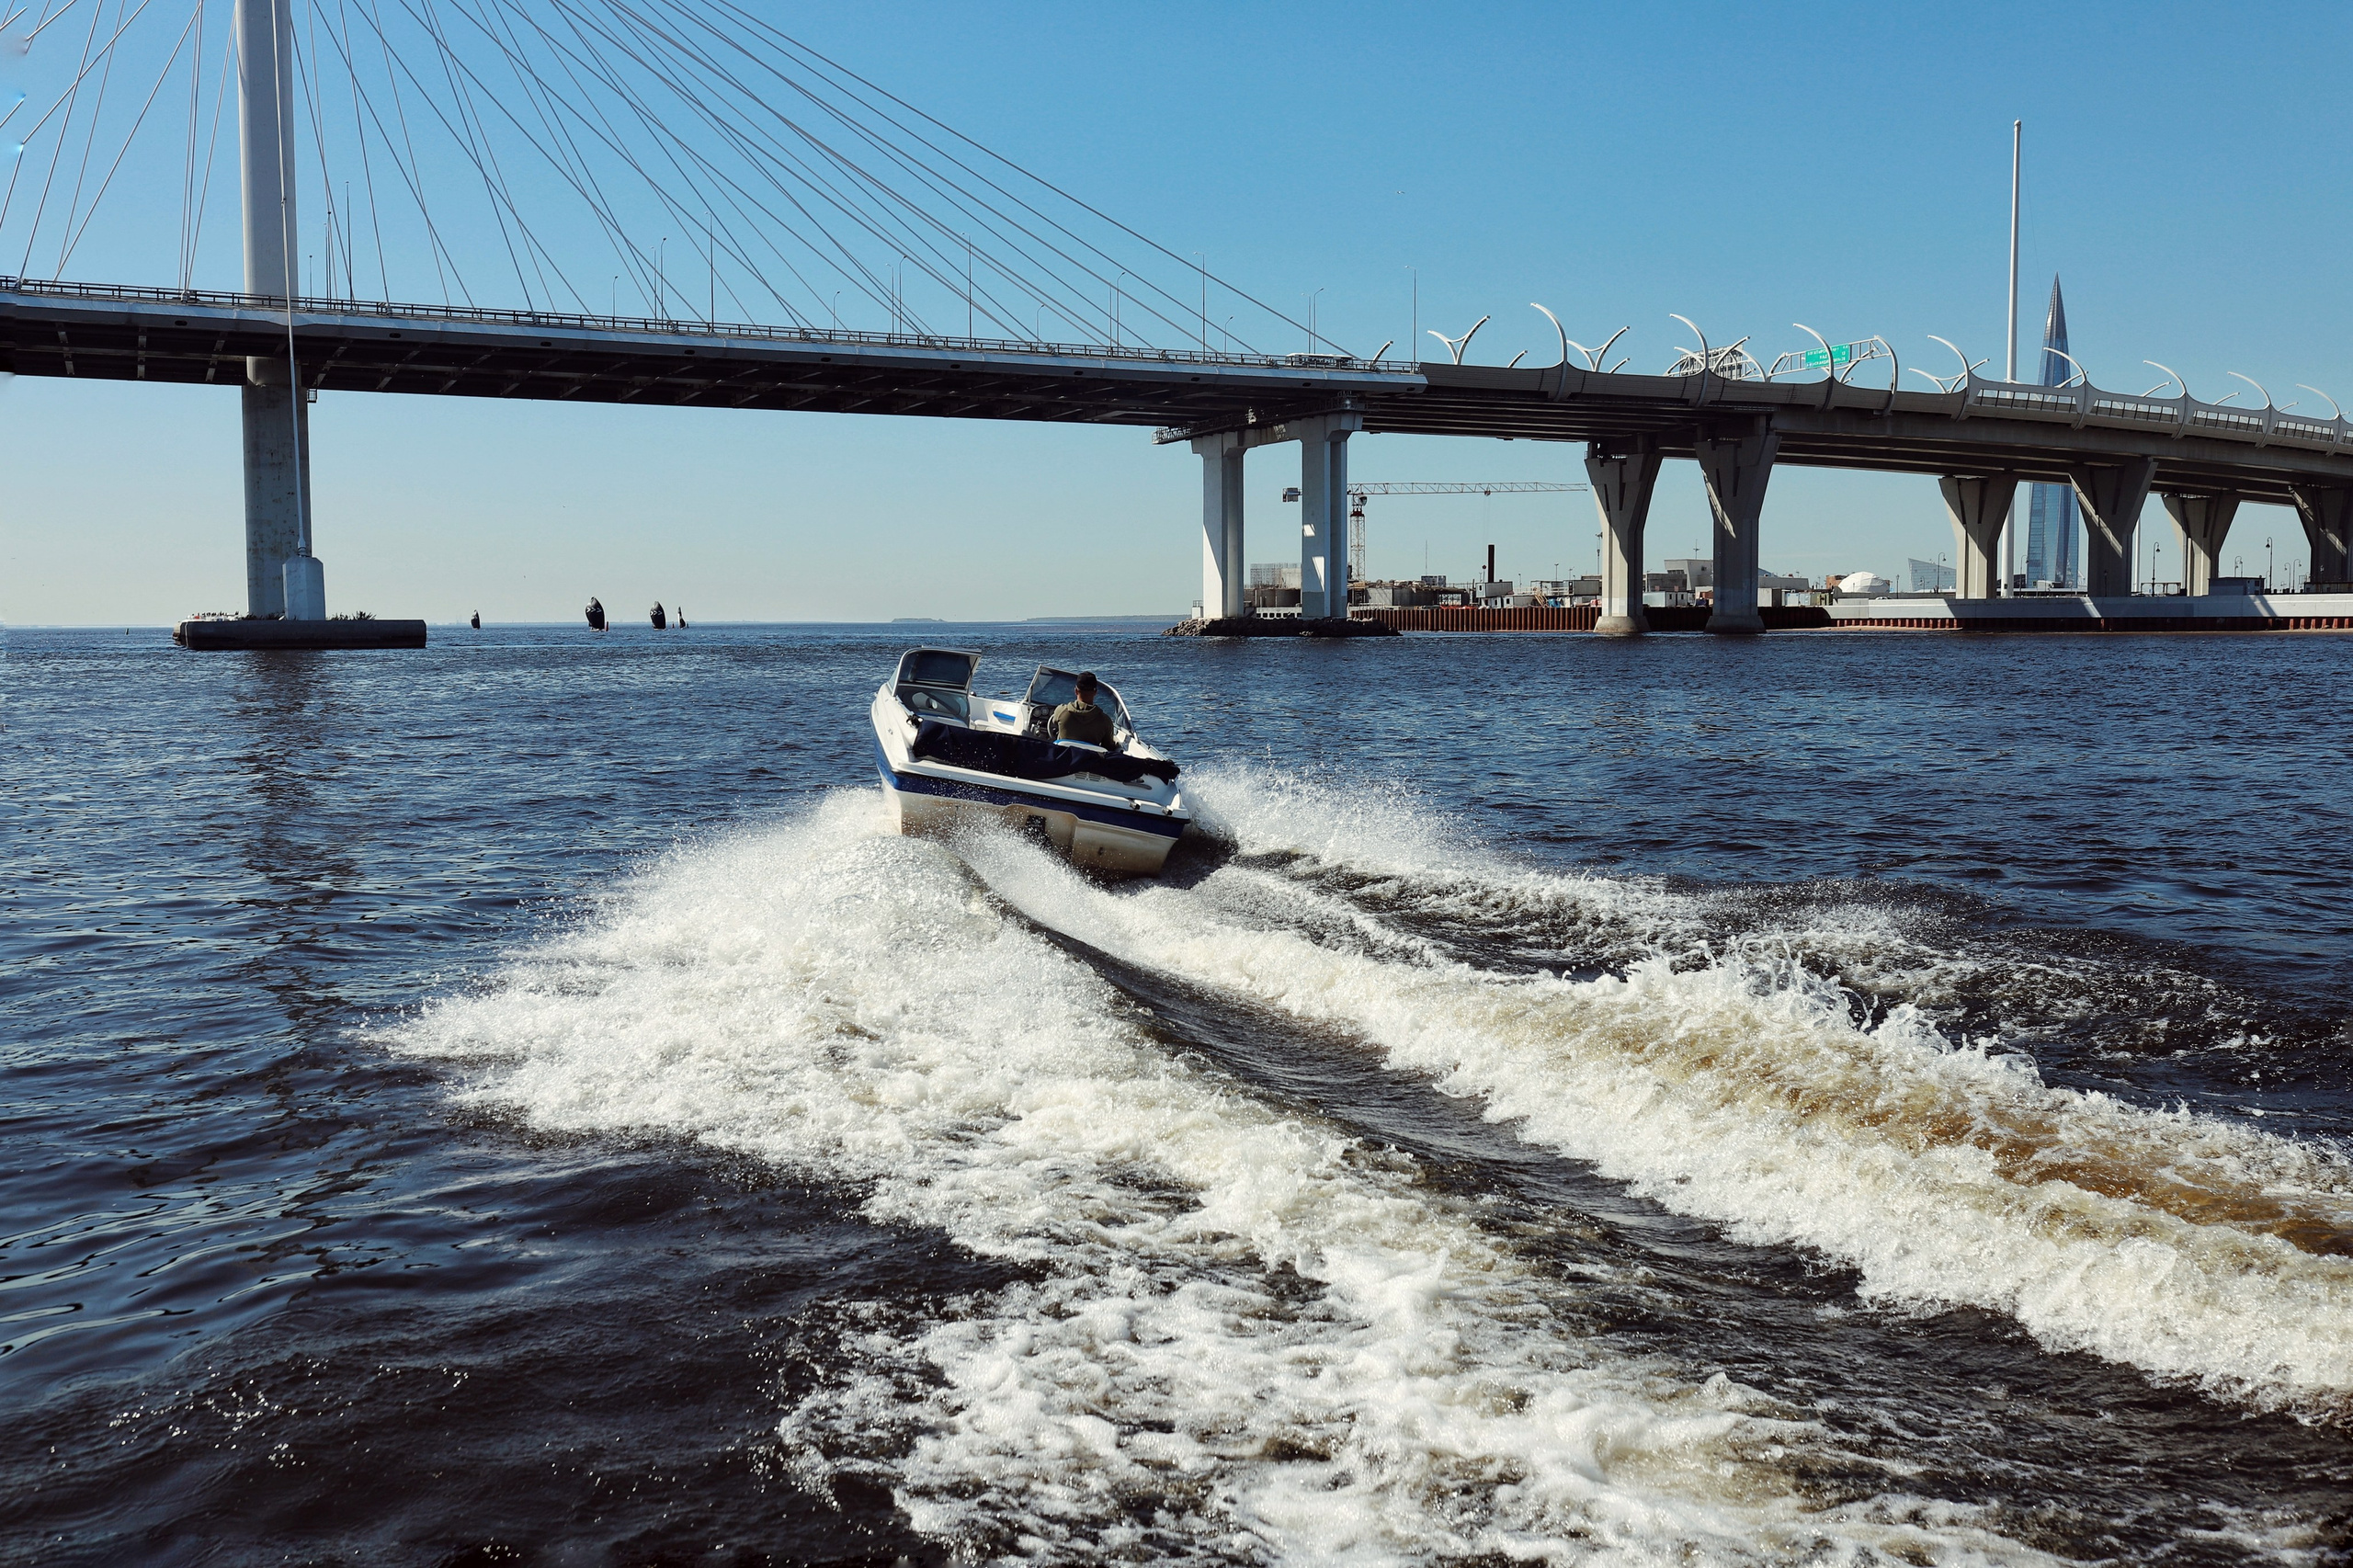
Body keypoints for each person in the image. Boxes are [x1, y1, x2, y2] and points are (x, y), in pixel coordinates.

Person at [1050, 671, 1119, 748]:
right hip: (1089, 759)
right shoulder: (1105, 721)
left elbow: (1053, 722)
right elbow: (1108, 746)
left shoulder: (1061, 711)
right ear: (1095, 692)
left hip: (1065, 758)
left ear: (1076, 691)